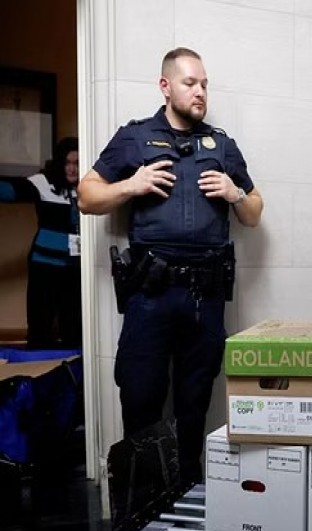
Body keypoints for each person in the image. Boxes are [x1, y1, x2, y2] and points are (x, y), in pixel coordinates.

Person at [78, 47, 263, 484]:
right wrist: (130, 184)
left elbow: (255, 212)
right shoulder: (135, 138)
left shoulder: (222, 145)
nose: (200, 92)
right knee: (141, 398)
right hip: (151, 295)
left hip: (205, 297)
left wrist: (236, 194)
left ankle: (186, 494)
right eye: (190, 83)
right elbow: (87, 197)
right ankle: (140, 507)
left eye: (204, 84)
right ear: (165, 86)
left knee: (194, 401)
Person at [0, 137, 82, 349]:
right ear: (59, 163)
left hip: (76, 268)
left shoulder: (90, 187)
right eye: (67, 163)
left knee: (74, 325)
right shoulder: (43, 182)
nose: (72, 169)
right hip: (44, 265)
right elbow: (10, 191)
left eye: (77, 163)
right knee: (40, 323)